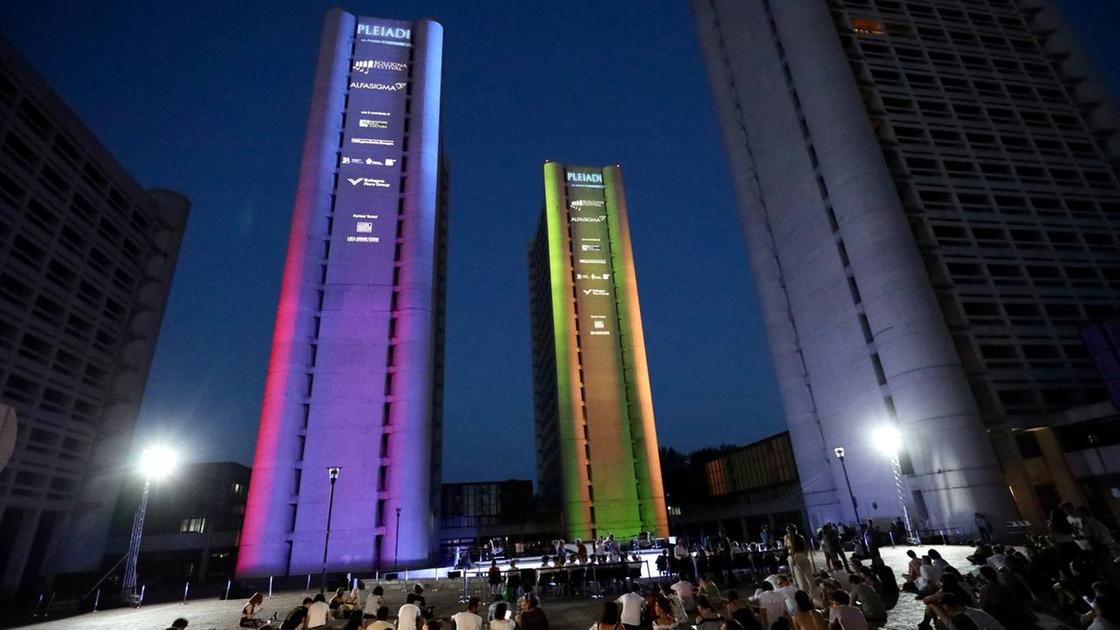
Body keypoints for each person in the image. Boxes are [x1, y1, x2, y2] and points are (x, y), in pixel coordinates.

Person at [928, 593, 1004, 630]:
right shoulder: (972, 611)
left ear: (955, 606)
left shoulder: (967, 617)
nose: (948, 613)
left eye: (948, 610)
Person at [784, 525, 813, 593]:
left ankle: (804, 591)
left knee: (799, 576)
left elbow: (793, 548)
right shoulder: (801, 537)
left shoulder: (790, 537)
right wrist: (806, 555)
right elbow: (805, 547)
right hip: (803, 554)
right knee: (809, 574)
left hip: (795, 555)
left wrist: (793, 558)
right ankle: (812, 591)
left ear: (789, 531)